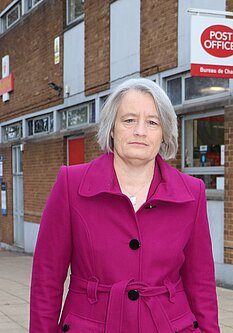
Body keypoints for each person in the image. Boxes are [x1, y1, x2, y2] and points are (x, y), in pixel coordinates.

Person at [30, 78, 220, 333]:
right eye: (129, 120)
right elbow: (47, 279)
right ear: (112, 128)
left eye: (152, 122)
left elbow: (201, 284)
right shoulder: (70, 185)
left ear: (164, 133)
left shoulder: (191, 193)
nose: (140, 131)